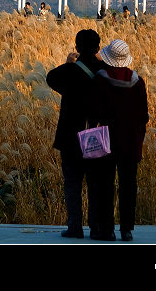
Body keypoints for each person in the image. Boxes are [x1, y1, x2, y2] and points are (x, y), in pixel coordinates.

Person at [46, 29, 106, 240]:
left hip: (70, 135)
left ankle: (75, 227)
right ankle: (96, 227)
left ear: (77, 47)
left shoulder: (69, 71)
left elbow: (51, 78)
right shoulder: (103, 71)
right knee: (95, 183)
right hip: (95, 134)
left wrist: (70, 62)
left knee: (72, 183)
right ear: (98, 48)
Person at [88, 39, 149, 242]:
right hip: (131, 140)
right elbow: (143, 115)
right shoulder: (138, 81)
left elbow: (94, 110)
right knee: (128, 185)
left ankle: (107, 229)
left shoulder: (100, 79)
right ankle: (127, 229)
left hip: (106, 139)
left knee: (105, 184)